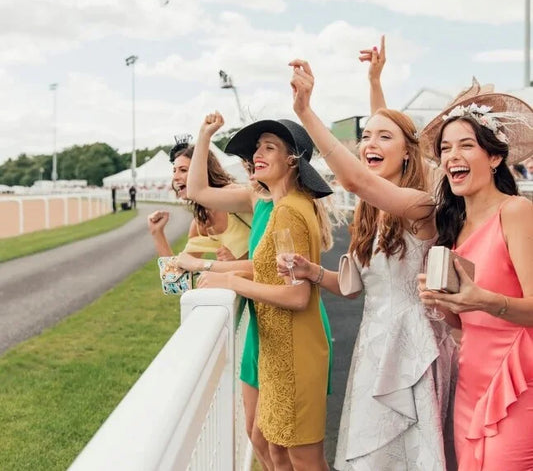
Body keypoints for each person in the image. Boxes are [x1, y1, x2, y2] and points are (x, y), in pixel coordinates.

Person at [287, 56, 457, 470]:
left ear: (408, 153)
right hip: (373, 346)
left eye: (383, 138)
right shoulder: (368, 211)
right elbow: (355, 287)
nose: (370, 145)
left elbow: (358, 179)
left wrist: (305, 112)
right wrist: (313, 272)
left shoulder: (421, 204)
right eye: (365, 137)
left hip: (414, 349)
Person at [175, 112, 336, 470]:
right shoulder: (281, 205)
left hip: (295, 348)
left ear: (292, 160)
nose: (256, 155)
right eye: (256, 149)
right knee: (282, 451)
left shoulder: (288, 212)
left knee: (305, 460)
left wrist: (230, 280)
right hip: (280, 347)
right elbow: (270, 272)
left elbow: (297, 296)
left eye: (269, 147)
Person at [418, 88, 533, 471]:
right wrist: (442, 303)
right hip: (469, 378)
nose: (452, 156)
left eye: (466, 145)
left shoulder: (515, 212)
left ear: (495, 157)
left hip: (518, 379)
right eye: (446, 148)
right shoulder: (454, 228)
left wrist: (481, 299)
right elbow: (463, 322)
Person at [147, 138, 251, 261]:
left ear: (203, 171)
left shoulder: (235, 193)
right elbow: (177, 275)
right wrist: (157, 233)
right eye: (174, 171)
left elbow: (273, 236)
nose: (175, 177)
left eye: (183, 170)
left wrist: (244, 257)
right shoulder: (201, 221)